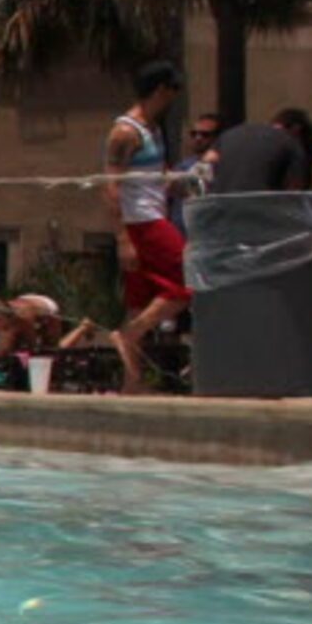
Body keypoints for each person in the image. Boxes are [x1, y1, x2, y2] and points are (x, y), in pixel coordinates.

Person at [107, 59, 190, 395]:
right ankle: (131, 334)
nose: (174, 98)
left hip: (154, 213)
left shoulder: (153, 129)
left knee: (139, 301)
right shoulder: (125, 132)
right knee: (188, 281)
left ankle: (132, 382)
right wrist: (122, 238)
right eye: (173, 91)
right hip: (142, 222)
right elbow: (110, 185)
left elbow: (155, 175)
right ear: (160, 90)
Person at [207, 110, 310, 194]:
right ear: (297, 129)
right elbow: (294, 192)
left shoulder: (229, 135)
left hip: (221, 210)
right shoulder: (290, 143)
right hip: (261, 211)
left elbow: (206, 164)